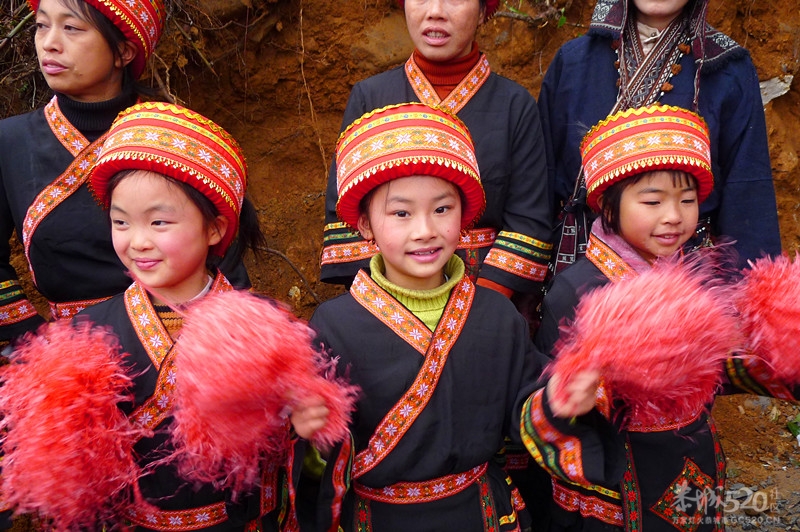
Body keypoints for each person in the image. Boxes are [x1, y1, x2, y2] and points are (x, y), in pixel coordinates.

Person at [524, 104, 798, 531]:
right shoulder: (575, 291)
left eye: (688, 200)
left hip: (691, 462)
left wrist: (780, 354)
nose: (674, 216)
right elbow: (545, 397)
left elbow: (716, 370)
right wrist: (569, 396)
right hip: (616, 483)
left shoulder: (689, 273)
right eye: (653, 201)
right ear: (608, 205)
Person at [62, 102, 326, 530]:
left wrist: (299, 424)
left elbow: (290, 449)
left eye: (159, 222)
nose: (138, 241)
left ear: (215, 229)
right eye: (121, 222)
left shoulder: (266, 329)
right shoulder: (88, 333)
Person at [311, 102, 558, 532]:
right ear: (365, 224)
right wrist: (308, 431)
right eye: (401, 213)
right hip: (379, 518)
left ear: (465, 213)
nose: (425, 229)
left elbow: (529, 414)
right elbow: (316, 456)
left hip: (480, 514)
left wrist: (562, 401)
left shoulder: (496, 316)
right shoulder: (333, 326)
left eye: (442, 209)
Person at [0, 0, 249, 345]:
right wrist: (38, 350)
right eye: (42, 25)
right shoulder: (9, 142)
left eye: (71, 27)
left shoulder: (178, 138)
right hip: (72, 358)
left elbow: (225, 260)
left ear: (124, 51)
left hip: (191, 347)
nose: (50, 43)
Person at [320, 0, 552, 301]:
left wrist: (480, 308)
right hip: (385, 300)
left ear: (483, 11)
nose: (435, 11)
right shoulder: (370, 98)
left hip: (487, 297)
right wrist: (390, 303)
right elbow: (346, 214)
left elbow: (529, 221)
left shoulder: (514, 106)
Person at [538, 0, 781, 266]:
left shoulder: (728, 68)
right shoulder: (572, 62)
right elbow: (541, 183)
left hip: (688, 281)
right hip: (578, 268)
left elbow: (748, 198)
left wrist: (748, 297)